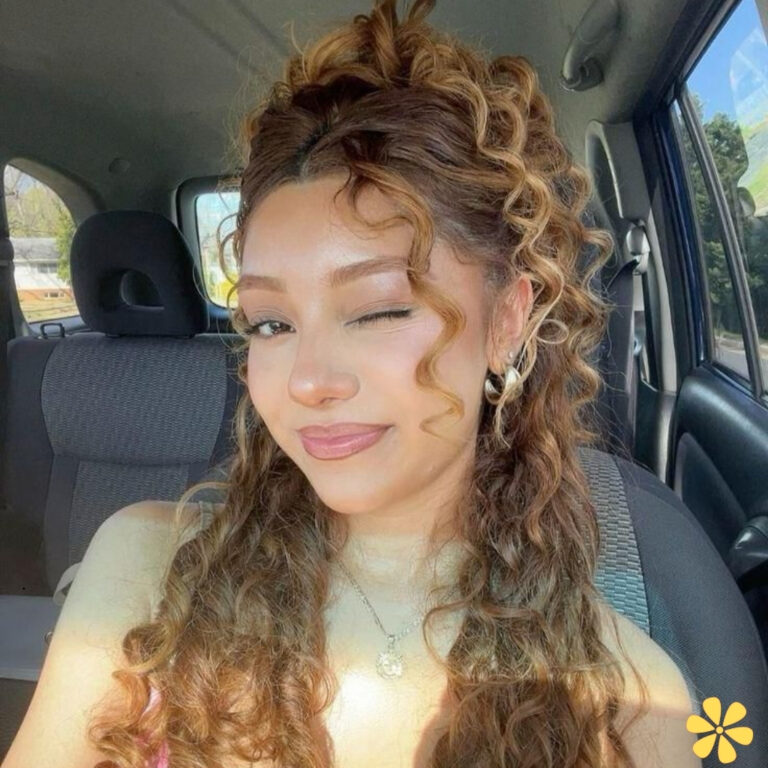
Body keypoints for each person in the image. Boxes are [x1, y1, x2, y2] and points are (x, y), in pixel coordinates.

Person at [2, 1, 703, 767]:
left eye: (378, 311)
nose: (308, 382)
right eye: (271, 323)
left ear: (506, 320)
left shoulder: (628, 699)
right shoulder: (143, 573)